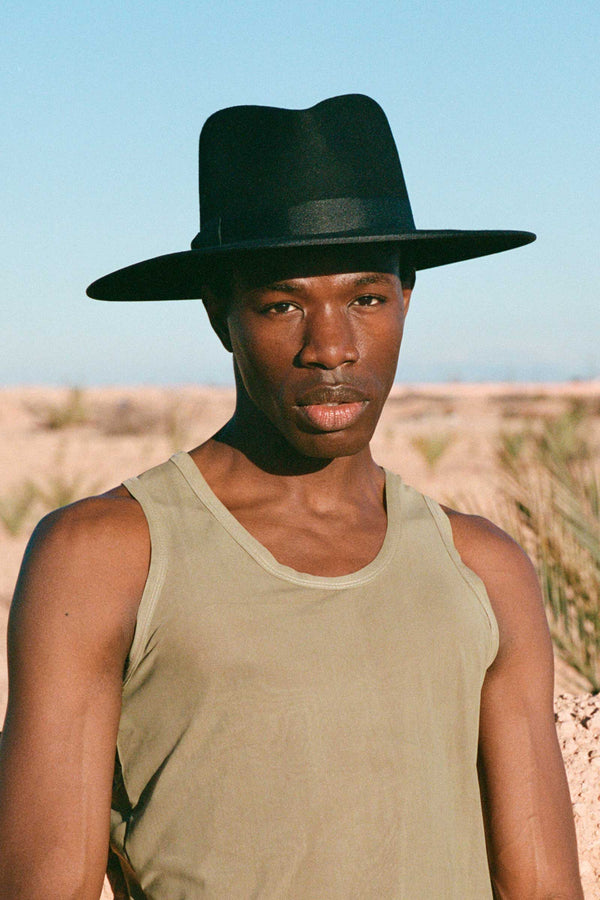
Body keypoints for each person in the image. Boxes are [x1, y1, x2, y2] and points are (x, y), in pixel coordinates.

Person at [0, 95, 583, 899]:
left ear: (408, 298)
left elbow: (544, 888)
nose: (331, 346)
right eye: (281, 304)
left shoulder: (484, 570)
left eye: (366, 298)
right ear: (220, 316)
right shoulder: (106, 554)